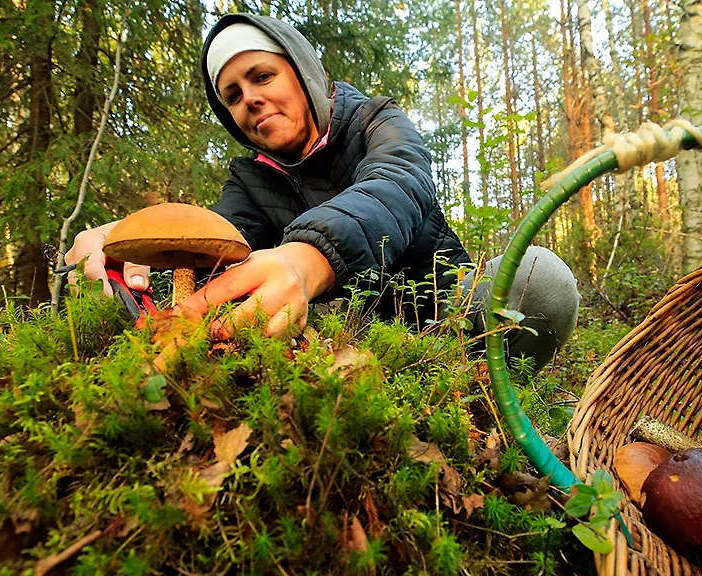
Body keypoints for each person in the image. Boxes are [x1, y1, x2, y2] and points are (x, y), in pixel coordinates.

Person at [65, 13, 580, 371]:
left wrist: (305, 260)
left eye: (262, 75)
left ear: (304, 71)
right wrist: (119, 244)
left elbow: (397, 185)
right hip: (337, 344)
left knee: (544, 281)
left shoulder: (376, 121)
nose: (250, 100)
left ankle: (484, 419)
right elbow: (216, 251)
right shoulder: (248, 180)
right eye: (233, 96)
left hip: (444, 317)